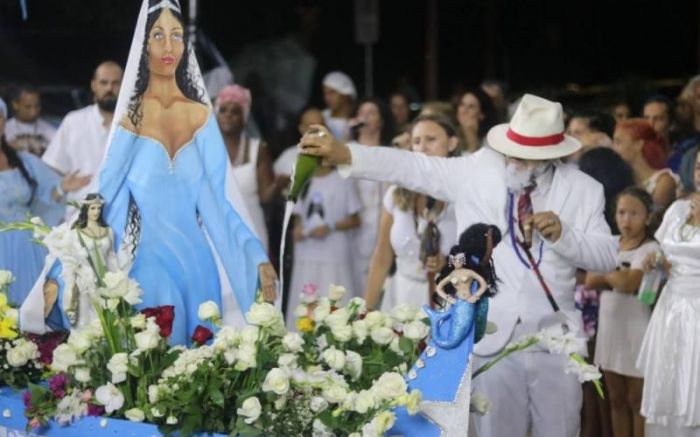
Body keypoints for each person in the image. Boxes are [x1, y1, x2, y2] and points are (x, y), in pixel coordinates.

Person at [301, 93, 617, 437]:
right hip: (492, 335)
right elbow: (414, 167)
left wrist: (565, 235)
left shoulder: (585, 190)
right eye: (514, 151)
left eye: (528, 156)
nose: (516, 160)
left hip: (555, 342)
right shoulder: (478, 170)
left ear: (551, 156)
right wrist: (347, 154)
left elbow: (606, 256)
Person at [95, 0, 277, 345]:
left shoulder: (200, 120)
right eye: (158, 34)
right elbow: (101, 199)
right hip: (147, 268)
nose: (168, 45)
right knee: (153, 368)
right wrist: (59, 271)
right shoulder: (131, 121)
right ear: (144, 44)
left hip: (199, 270)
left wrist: (255, 256)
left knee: (195, 381)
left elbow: (219, 204)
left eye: (176, 35)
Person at [0, 98, 90, 307]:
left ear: (5, 122)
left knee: (30, 307)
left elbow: (45, 199)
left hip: (26, 246)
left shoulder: (23, 161)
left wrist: (63, 188)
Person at [363, 114, 458, 311]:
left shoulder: (466, 195)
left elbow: (483, 256)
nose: (422, 147)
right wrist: (366, 311)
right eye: (416, 141)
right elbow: (382, 258)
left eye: (431, 139)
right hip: (401, 299)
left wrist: (448, 263)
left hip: (451, 298)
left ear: (452, 143)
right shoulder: (396, 194)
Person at [585, 188, 659, 437]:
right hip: (610, 326)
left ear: (648, 217)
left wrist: (607, 273)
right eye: (622, 213)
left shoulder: (650, 248)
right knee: (615, 398)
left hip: (637, 327)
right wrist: (615, 274)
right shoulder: (609, 243)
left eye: (634, 213)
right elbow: (589, 280)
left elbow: (630, 284)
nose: (626, 220)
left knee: (636, 399)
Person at [637, 150, 700, 437]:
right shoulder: (678, 210)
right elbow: (664, 253)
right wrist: (656, 262)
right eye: (699, 167)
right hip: (670, 309)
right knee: (668, 385)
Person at [42, 61, 123, 222]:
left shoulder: (137, 125)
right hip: (79, 221)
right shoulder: (74, 122)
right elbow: (51, 169)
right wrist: (62, 186)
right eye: (104, 83)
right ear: (94, 85)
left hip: (123, 219)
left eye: (115, 83)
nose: (109, 89)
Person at [286, 164, 361, 330]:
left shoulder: (343, 181)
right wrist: (298, 230)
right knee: (306, 305)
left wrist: (331, 226)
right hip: (307, 256)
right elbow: (297, 216)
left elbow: (355, 220)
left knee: (334, 301)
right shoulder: (301, 181)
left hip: (334, 255)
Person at [215, 84, 281, 251]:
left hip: (251, 230)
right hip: (216, 231)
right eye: (223, 110)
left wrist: (279, 185)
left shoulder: (258, 149)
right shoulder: (204, 150)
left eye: (235, 111)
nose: (228, 115)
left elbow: (265, 196)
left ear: (244, 118)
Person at [349, 98, 394, 295]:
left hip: (384, 225)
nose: (366, 117)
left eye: (372, 112)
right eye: (362, 112)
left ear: (382, 121)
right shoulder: (346, 150)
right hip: (355, 228)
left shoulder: (389, 151)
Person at [613, 119, 678, 221]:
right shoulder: (621, 178)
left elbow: (651, 218)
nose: (614, 149)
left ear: (638, 144)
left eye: (619, 142)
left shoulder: (664, 182)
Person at [5, 85, 56, 156]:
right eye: (28, 107)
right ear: (15, 105)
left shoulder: (50, 130)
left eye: (37, 106)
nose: (33, 112)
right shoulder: (5, 130)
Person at [456, 88, 497, 154]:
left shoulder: (490, 140)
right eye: (462, 104)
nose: (464, 110)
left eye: (471, 107)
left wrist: (470, 133)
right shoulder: (448, 131)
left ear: (481, 114)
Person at [321, 71, 356, 141]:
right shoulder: (320, 118)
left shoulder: (358, 118)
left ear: (345, 95)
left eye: (332, 93)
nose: (327, 98)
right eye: (325, 93)